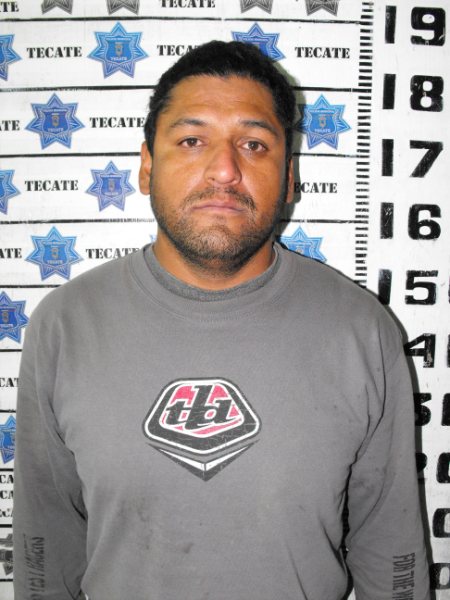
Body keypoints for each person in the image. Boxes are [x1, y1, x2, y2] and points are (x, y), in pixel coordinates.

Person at [13, 41, 430, 600]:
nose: (226, 170)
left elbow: (391, 548)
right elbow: (46, 541)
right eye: (192, 140)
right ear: (146, 166)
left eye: (254, 144)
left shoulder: (362, 331)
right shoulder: (65, 325)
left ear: (289, 177)